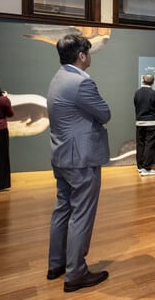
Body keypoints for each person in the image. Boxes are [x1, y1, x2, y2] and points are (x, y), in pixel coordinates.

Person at [46, 34, 110, 292]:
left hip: (62, 155)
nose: (90, 56)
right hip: (81, 159)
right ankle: (75, 274)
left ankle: (57, 264)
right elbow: (105, 113)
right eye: (88, 52)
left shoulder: (58, 77)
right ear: (82, 56)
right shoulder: (82, 83)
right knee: (81, 214)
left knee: (63, 209)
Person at [133, 74, 155, 176]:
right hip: (152, 122)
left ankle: (140, 167)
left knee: (140, 144)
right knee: (150, 145)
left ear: (143, 80)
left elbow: (136, 105)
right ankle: (147, 168)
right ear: (153, 82)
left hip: (140, 122)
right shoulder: (154, 94)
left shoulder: (137, 93)